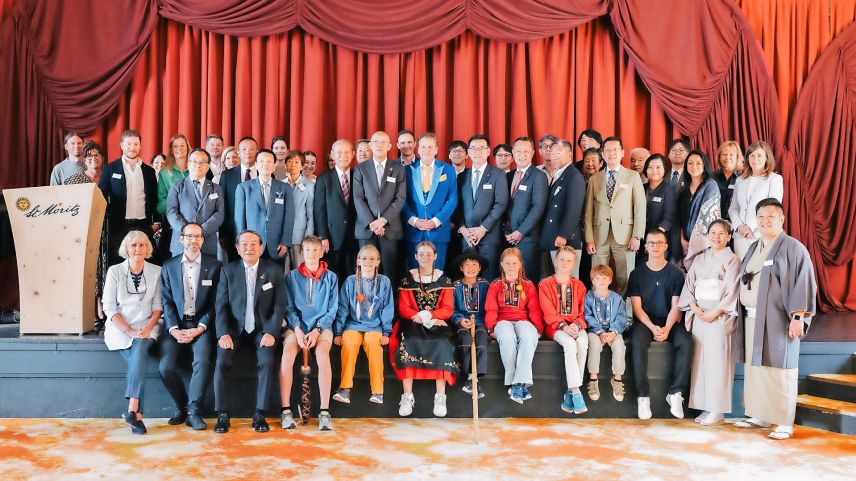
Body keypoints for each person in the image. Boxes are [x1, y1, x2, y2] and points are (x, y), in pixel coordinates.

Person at [735, 198, 816, 440]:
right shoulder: (753, 247)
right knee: (756, 368)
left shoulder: (793, 248)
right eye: (760, 217)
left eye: (771, 216)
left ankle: (783, 421)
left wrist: (798, 317)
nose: (765, 221)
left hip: (779, 320)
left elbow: (803, 283)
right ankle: (759, 414)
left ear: (782, 219)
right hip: (751, 319)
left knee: (781, 369)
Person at [213, 230, 285, 434]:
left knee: (267, 360)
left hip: (262, 330)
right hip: (234, 329)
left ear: (261, 248)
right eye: (244, 244)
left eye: (254, 244)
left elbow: (280, 305)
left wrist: (271, 331)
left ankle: (260, 413)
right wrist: (223, 333)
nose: (249, 247)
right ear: (237, 248)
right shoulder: (228, 270)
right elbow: (221, 306)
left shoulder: (274, 270)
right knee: (221, 361)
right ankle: (222, 414)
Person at [158, 223, 221, 431]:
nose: (193, 240)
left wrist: (200, 328)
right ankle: (182, 406)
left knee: (202, 361)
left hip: (202, 324)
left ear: (203, 240)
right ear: (181, 239)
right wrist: (174, 329)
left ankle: (194, 411)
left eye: (197, 236)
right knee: (165, 368)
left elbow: (216, 303)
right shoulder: (169, 266)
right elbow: (166, 301)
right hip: (177, 324)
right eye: (189, 236)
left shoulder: (215, 266)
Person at [677, 219, 740, 426]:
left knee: (718, 363)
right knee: (701, 362)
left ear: (729, 237)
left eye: (721, 233)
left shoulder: (732, 260)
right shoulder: (700, 259)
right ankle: (706, 406)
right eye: (713, 232)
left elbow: (732, 290)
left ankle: (718, 409)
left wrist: (715, 312)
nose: (716, 236)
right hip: (700, 315)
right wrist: (695, 309)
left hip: (719, 316)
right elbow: (689, 287)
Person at [626, 228, 693, 420]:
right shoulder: (637, 274)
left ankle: (675, 393)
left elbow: (676, 306)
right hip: (646, 321)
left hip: (670, 320)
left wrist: (667, 329)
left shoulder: (675, 273)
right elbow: (637, 308)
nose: (655, 246)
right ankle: (643, 396)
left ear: (666, 246)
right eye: (651, 243)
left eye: (659, 243)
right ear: (645, 247)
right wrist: (652, 327)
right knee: (637, 342)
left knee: (686, 341)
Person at [102, 231, 162, 434]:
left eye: (142, 245)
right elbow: (109, 307)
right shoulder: (114, 271)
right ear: (126, 249)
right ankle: (136, 414)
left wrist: (146, 328)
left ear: (148, 248)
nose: (138, 249)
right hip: (121, 327)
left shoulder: (156, 271)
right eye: (133, 245)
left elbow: (158, 306)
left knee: (141, 349)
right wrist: (128, 329)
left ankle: (132, 409)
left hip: (147, 325)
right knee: (139, 358)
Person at [392, 241, 458, 417]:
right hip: (413, 322)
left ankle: (440, 396)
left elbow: (448, 309)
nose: (425, 257)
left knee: (442, 342)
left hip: (438, 322)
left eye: (429, 254)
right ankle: (407, 395)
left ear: (436, 256)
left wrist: (431, 316)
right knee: (409, 341)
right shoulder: (408, 280)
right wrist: (421, 317)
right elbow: (403, 308)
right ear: (415, 256)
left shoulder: (445, 280)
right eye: (421, 254)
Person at [280, 235, 338, 431]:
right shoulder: (291, 277)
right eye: (307, 250)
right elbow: (288, 307)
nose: (311, 254)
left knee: (322, 355)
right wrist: (297, 329)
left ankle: (324, 413)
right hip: (296, 327)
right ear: (301, 252)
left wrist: (316, 330)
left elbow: (332, 309)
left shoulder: (331, 278)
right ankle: (286, 411)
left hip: (321, 328)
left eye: (315, 250)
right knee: (288, 354)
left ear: (321, 252)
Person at [584, 136, 646, 295]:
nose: (611, 153)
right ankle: (598, 312)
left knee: (625, 276)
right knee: (597, 275)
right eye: (607, 150)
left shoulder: (632, 176)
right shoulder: (594, 178)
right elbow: (588, 211)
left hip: (625, 236)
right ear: (602, 154)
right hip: (599, 236)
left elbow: (640, 208)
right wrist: (589, 238)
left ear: (622, 153)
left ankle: (627, 315)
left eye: (615, 150)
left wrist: (637, 236)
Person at [333, 244, 394, 405]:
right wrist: (338, 332)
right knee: (350, 342)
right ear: (358, 260)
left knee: (373, 345)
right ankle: (345, 389)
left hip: (374, 326)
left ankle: (378, 391)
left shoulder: (384, 282)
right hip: (353, 325)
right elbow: (343, 307)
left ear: (378, 262)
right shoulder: (351, 281)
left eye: (372, 258)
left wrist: (387, 332)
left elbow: (387, 308)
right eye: (364, 258)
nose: (368, 261)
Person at [485, 247, 543, 404]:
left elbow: (534, 309)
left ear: (520, 265)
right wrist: (491, 328)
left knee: (528, 336)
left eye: (514, 263)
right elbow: (491, 309)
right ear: (501, 264)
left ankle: (518, 383)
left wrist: (538, 328)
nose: (511, 266)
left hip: (523, 320)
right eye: (507, 263)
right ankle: (517, 383)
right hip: (502, 321)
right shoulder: (495, 285)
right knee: (507, 337)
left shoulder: (528, 285)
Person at [99, 130, 160, 267]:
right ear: (121, 145)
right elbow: (101, 196)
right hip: (117, 227)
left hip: (143, 226)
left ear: (140, 146)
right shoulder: (110, 169)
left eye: (136, 144)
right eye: (129, 144)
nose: (132, 147)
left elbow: (154, 199)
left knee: (144, 266)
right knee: (118, 266)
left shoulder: (149, 172)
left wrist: (155, 225)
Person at [352, 131, 406, 286]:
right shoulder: (361, 169)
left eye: (383, 142)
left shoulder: (398, 169)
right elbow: (358, 198)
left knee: (390, 271)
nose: (379, 145)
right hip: (366, 229)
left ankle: (389, 307)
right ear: (370, 145)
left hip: (390, 228)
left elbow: (400, 198)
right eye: (376, 141)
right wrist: (372, 223)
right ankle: (364, 306)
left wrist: (382, 220)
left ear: (389, 146)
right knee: (365, 271)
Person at [539, 247, 588, 414]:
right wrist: (564, 327)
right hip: (556, 328)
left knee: (582, 342)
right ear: (555, 261)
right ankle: (576, 391)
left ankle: (571, 392)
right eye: (561, 259)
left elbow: (583, 313)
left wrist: (577, 326)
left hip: (575, 325)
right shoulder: (545, 284)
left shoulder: (579, 285)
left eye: (569, 260)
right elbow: (548, 313)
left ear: (574, 264)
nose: (565, 263)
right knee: (569, 344)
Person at [402, 133, 458, 270]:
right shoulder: (406, 170)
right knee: (414, 274)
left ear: (436, 149)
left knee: (437, 273)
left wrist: (436, 221)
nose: (427, 150)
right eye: (423, 147)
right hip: (414, 231)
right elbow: (401, 199)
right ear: (418, 149)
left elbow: (452, 198)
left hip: (438, 231)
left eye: (430, 147)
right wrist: (414, 220)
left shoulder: (448, 170)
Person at [457, 135, 509, 281]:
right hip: (467, 237)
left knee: (489, 277)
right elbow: (458, 206)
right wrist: (463, 229)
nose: (477, 151)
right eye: (473, 148)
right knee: (468, 278)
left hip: (489, 236)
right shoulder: (462, 176)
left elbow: (501, 204)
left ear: (488, 151)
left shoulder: (498, 174)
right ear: (468, 152)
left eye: (481, 148)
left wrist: (483, 228)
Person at [728, 141, 784, 259]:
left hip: (762, 235)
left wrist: (752, 229)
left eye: (759, 155)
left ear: (767, 157)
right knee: (743, 273)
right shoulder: (740, 180)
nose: (755, 159)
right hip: (740, 236)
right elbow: (733, 208)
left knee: (762, 274)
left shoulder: (774, 179)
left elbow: (773, 210)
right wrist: (740, 227)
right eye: (752, 155)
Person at [165, 149, 225, 258]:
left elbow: (219, 213)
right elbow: (171, 211)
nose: (198, 165)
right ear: (188, 164)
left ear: (208, 166)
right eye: (194, 161)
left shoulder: (216, 188)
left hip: (207, 243)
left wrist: (200, 232)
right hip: (181, 244)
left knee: (208, 275)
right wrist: (187, 233)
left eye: (202, 162)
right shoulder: (177, 186)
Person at [540, 139, 586, 279]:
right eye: (552, 154)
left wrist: (564, 234)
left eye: (558, 153)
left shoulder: (574, 176)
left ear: (570, 155)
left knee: (568, 282)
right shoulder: (559, 174)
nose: (554, 157)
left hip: (566, 240)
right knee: (555, 283)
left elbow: (574, 208)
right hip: (552, 237)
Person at [505, 136, 549, 280]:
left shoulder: (539, 176)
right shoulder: (508, 176)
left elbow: (538, 207)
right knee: (509, 278)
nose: (522, 155)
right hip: (507, 237)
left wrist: (520, 232)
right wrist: (506, 231)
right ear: (513, 152)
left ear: (533, 153)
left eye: (526, 151)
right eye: (518, 151)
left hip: (527, 238)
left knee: (527, 278)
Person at [314, 139, 358, 282]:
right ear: (332, 154)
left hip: (355, 235)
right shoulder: (323, 179)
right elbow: (319, 210)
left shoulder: (359, 176)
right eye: (339, 152)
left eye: (346, 152)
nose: (343, 155)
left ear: (353, 154)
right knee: (333, 275)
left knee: (353, 275)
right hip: (332, 237)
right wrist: (323, 237)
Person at [235, 149, 289, 262]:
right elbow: (239, 219)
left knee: (276, 277)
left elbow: (289, 217)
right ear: (256, 165)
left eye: (269, 161)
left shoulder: (284, 187)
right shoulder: (244, 188)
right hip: (251, 245)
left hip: (277, 244)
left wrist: (285, 241)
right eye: (262, 161)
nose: (266, 164)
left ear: (274, 166)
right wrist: (242, 242)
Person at [584, 264, 628, 402]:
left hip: (613, 331)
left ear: (610, 280)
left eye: (604, 278)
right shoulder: (589, 297)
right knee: (594, 345)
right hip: (595, 331)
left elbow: (621, 317)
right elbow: (587, 316)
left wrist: (614, 332)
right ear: (592, 280)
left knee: (620, 345)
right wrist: (599, 331)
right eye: (597, 278)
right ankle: (593, 379)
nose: (601, 281)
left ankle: (617, 379)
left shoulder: (617, 298)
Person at [450, 250, 490, 398]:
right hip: (463, 323)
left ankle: (473, 379)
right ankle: (469, 376)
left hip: (481, 323)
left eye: (475, 264)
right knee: (466, 341)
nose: (471, 267)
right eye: (467, 264)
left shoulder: (485, 285)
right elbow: (451, 310)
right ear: (461, 267)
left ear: (479, 268)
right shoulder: (455, 287)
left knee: (480, 341)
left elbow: (490, 306)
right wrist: (460, 320)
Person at [677, 150, 720, 269]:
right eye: (690, 163)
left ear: (704, 165)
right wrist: (682, 240)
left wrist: (694, 243)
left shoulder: (711, 185)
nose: (693, 166)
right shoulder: (683, 189)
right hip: (685, 242)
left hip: (705, 242)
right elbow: (679, 217)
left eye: (698, 163)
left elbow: (707, 216)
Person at [218, 136, 259, 261]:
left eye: (252, 149)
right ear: (239, 153)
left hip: (259, 234)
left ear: (257, 152)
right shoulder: (227, 176)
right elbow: (222, 205)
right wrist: (222, 233)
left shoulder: (264, 173)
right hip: (233, 232)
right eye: (244, 149)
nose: (248, 152)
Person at [639, 154, 676, 266]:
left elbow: (668, 218)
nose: (654, 170)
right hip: (639, 240)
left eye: (658, 167)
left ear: (665, 169)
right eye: (650, 167)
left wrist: (652, 241)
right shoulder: (641, 187)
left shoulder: (668, 190)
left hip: (657, 242)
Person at [281, 150, 315, 270]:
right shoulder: (279, 185)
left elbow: (311, 215)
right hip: (282, 238)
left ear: (302, 166)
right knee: (283, 273)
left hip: (300, 237)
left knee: (300, 271)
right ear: (285, 165)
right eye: (290, 161)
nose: (293, 165)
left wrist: (308, 239)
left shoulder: (309, 186)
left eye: (296, 162)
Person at [712, 141, 742, 221]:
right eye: (724, 154)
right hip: (716, 222)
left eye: (731, 154)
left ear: (737, 157)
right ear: (719, 157)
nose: (727, 157)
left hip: (737, 223)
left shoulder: (744, 177)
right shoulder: (713, 176)